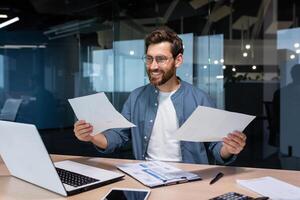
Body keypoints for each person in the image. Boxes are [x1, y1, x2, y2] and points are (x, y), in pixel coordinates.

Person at [74, 28, 246, 164]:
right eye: (149, 59)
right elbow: (118, 137)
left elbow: (216, 146)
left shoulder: (200, 99)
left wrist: (230, 148)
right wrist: (92, 137)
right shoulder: (136, 97)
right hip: (145, 176)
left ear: (178, 60)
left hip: (189, 179)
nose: (153, 66)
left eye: (161, 59)